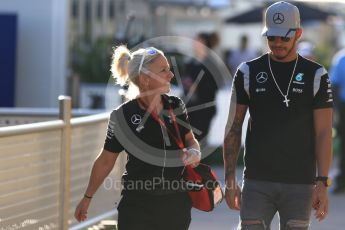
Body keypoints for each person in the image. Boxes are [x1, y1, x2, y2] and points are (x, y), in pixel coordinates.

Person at [223, 1, 333, 229]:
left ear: (298, 34)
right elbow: (233, 127)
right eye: (271, 37)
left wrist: (322, 182)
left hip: (300, 183)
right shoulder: (247, 72)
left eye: (284, 37)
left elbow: (324, 132)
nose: (277, 43)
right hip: (256, 181)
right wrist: (230, 180)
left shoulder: (316, 75)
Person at [74, 45, 201, 230]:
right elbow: (105, 161)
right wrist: (87, 198)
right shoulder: (122, 115)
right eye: (164, 70)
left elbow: (191, 140)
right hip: (137, 206)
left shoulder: (176, 105)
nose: (171, 75)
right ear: (145, 79)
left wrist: (194, 152)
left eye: (169, 69)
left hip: (176, 204)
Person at [182, 32, 221, 145]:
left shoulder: (211, 65)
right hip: (189, 109)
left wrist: (198, 88)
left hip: (204, 109)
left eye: (198, 41)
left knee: (200, 141)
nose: (195, 44)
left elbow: (215, 86)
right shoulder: (189, 64)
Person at [330, 48, 345, 193]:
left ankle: (341, 181)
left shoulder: (340, 57)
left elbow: (334, 85)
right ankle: (341, 181)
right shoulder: (341, 58)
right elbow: (334, 86)